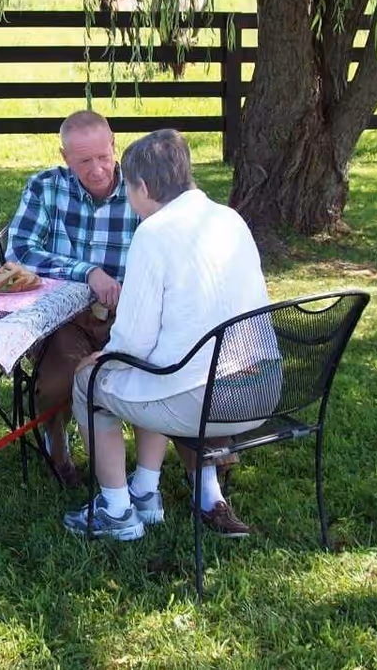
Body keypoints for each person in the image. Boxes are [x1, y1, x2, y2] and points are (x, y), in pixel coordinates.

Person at [61, 129, 276, 541]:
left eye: (129, 189)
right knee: (154, 374)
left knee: (92, 384)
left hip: (205, 399)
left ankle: (117, 510)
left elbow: (134, 343)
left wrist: (101, 358)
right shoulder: (230, 218)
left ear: (142, 186)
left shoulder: (153, 233)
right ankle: (146, 490)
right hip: (262, 388)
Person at [5, 111, 236, 488]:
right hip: (69, 315)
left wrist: (130, 291)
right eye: (83, 161)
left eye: (103, 156)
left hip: (136, 311)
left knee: (170, 371)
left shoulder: (143, 188)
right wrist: (88, 272)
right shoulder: (46, 187)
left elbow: (171, 249)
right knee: (55, 383)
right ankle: (56, 446)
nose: (97, 169)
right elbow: (18, 253)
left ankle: (207, 471)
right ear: (64, 157)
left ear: (114, 145)